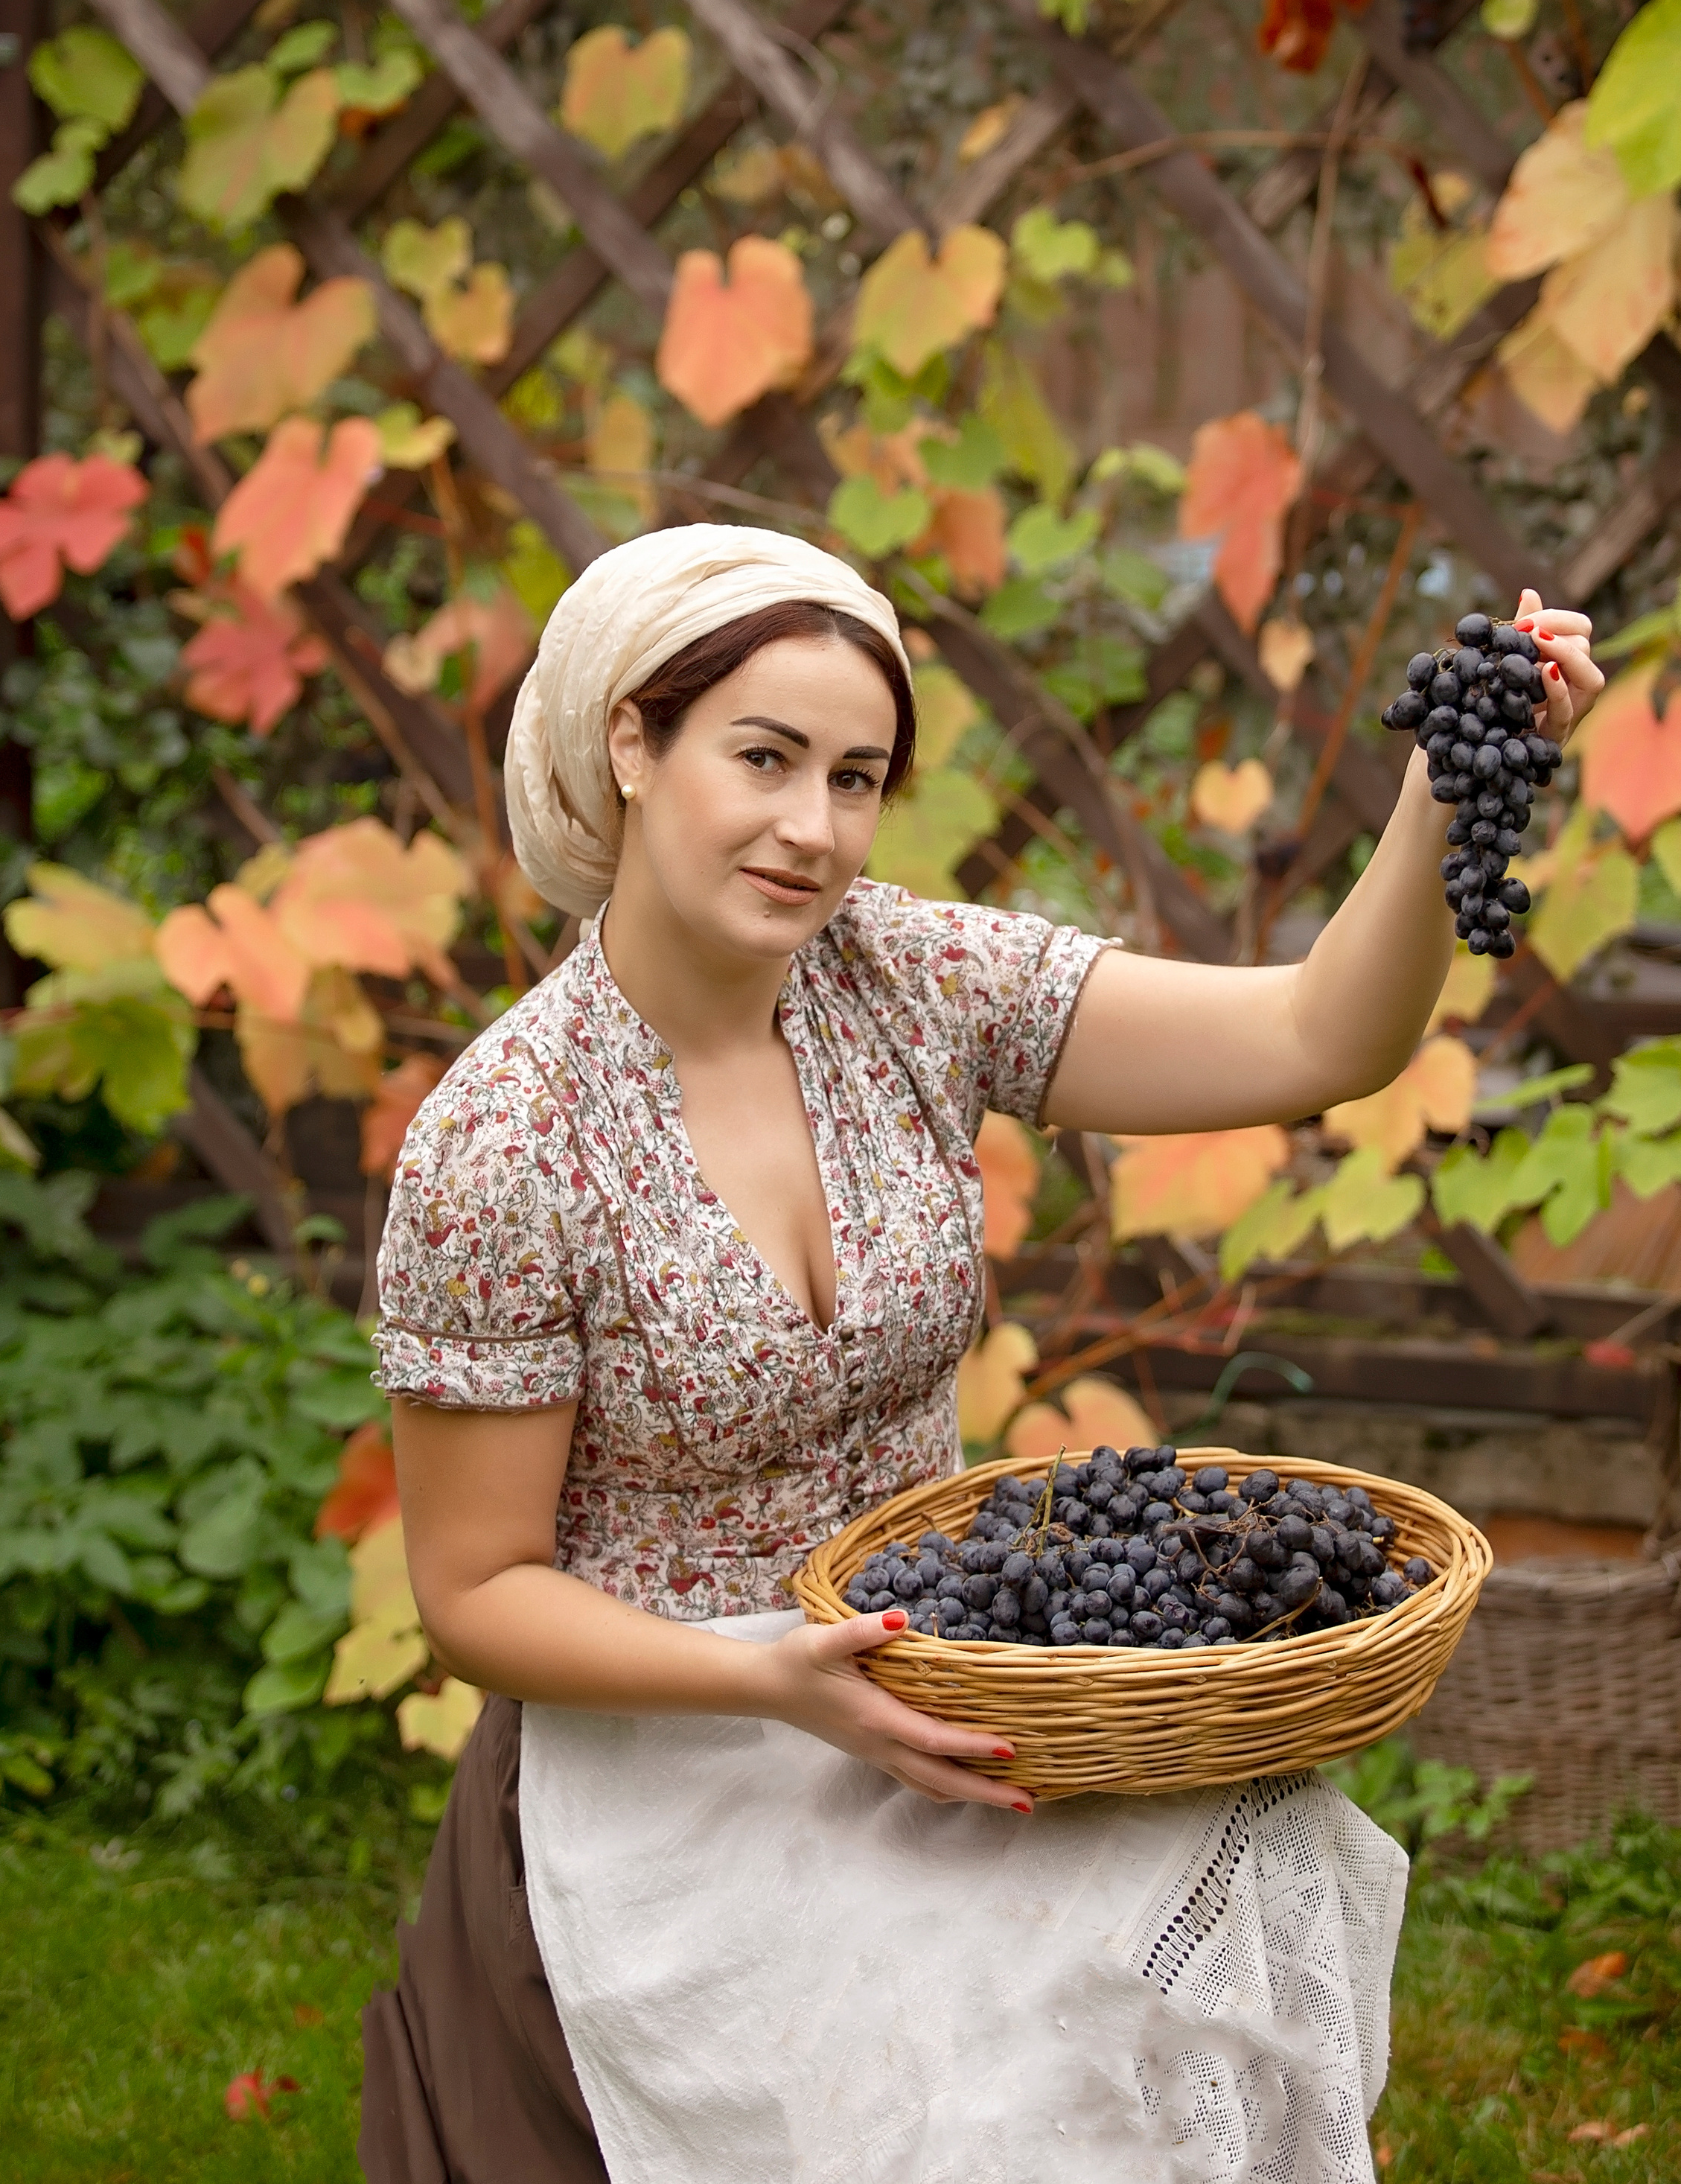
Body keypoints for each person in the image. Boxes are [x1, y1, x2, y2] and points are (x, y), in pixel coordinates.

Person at [357, 524, 1601, 2180]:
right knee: (1009, 2081)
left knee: (1253, 1852)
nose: (813, 829)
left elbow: (1318, 1038)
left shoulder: (908, 978)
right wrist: (773, 1681)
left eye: (856, 776)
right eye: (764, 758)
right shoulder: (500, 1145)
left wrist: (1445, 787)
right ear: (630, 747)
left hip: (951, 1671)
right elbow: (474, 1592)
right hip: (683, 1749)